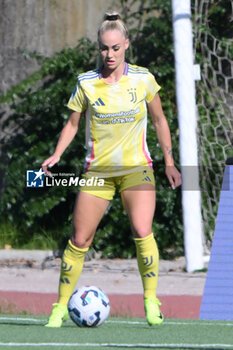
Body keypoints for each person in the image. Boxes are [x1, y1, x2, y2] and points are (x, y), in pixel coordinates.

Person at [42, 11, 181, 328]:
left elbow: (160, 121)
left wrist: (170, 162)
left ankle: (150, 299)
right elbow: (72, 124)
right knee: (79, 239)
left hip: (137, 169)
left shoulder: (143, 79)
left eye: (116, 48)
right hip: (98, 172)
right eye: (105, 48)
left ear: (126, 45)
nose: (110, 54)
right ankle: (60, 307)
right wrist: (55, 155)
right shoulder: (86, 83)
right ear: (98, 48)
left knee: (142, 231)